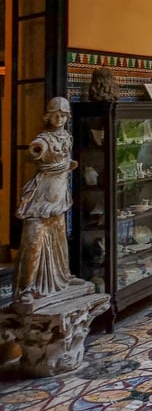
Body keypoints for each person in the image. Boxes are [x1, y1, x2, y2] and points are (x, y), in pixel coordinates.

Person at [15, 97, 83, 303]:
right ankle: (26, 287)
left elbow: (64, 161)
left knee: (59, 238)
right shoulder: (45, 138)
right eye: (56, 115)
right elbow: (38, 147)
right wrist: (38, 149)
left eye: (63, 115)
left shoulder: (67, 137)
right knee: (34, 239)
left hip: (59, 194)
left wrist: (68, 164)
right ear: (48, 116)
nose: (60, 119)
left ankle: (61, 277)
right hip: (41, 195)